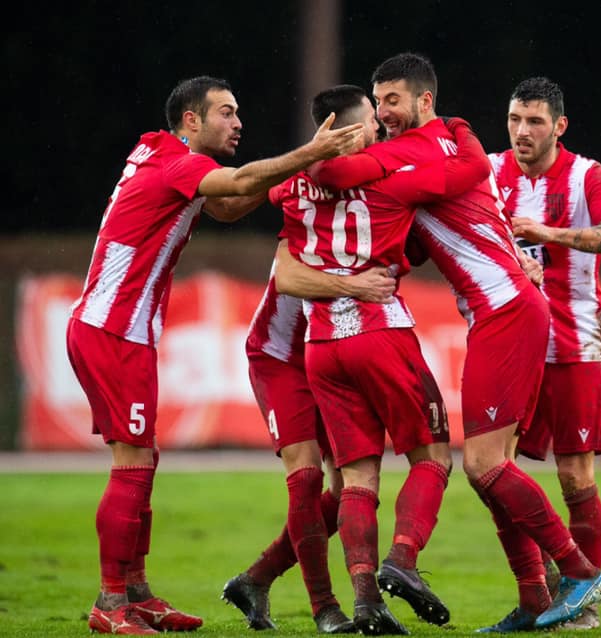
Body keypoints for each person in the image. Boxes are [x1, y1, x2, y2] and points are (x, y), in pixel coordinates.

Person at [323, 53, 601, 632]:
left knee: (485, 465)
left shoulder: (409, 151)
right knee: (494, 468)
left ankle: (580, 574)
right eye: (378, 104)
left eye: (393, 101)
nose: (382, 114)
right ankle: (534, 598)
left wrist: (311, 155)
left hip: (506, 310)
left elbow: (336, 176)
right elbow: (422, 231)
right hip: (500, 310)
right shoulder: (450, 141)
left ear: (424, 101)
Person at [66, 75, 362, 635]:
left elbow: (227, 206)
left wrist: (295, 173)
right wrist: (312, 153)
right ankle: (109, 604)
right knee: (131, 465)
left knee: (142, 462)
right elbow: (243, 179)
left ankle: (136, 591)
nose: (238, 122)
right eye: (226, 112)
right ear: (192, 120)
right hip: (113, 331)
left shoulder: (161, 154)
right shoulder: (177, 162)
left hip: (118, 329)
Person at [272, 83, 494, 635]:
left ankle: (367, 602)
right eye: (370, 119)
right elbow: (465, 175)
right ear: (348, 130)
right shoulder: (391, 181)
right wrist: (460, 130)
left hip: (320, 346)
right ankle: (404, 558)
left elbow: (270, 212)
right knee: (432, 456)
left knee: (357, 481)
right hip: (380, 333)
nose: (379, 126)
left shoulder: (294, 185)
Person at [487, 77, 601, 630]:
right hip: (511, 342)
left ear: (560, 126)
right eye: (515, 119)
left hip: (575, 342)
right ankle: (538, 595)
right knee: (495, 473)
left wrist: (547, 234)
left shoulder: (586, 175)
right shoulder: (492, 170)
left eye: (536, 122)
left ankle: (582, 604)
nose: (523, 132)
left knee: (575, 476)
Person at [222, 245, 397, 634]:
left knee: (349, 492)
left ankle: (255, 580)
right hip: (280, 358)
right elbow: (289, 278)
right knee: (305, 479)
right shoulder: (304, 216)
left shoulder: (374, 219)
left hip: (333, 352)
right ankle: (324, 608)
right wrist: (356, 285)